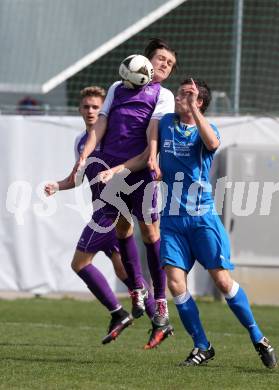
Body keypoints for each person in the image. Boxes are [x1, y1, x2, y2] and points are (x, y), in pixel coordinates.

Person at [99, 79, 278, 367]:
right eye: (181, 92)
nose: (181, 97)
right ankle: (202, 346)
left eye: (189, 94)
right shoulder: (166, 122)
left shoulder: (207, 128)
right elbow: (147, 156)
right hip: (171, 221)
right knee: (176, 283)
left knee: (221, 280)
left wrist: (194, 109)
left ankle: (258, 336)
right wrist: (116, 171)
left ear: (200, 102)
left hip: (202, 218)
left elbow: (212, 143)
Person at [71, 39, 178, 349]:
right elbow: (100, 126)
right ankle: (136, 292)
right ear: (145, 60)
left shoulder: (163, 95)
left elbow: (151, 142)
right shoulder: (117, 87)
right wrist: (85, 155)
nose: (163, 65)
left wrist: (123, 168)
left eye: (169, 63)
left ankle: (160, 305)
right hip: (112, 172)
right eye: (160, 59)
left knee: (149, 231)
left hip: (139, 172)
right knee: (121, 228)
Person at [44, 86, 156, 345]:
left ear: (104, 108)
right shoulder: (82, 142)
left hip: (110, 212)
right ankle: (159, 321)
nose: (91, 111)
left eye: (96, 106)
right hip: (102, 210)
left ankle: (119, 313)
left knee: (80, 263)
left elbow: (135, 165)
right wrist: (58, 186)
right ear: (80, 110)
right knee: (125, 273)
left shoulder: (118, 135)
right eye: (86, 107)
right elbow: (79, 178)